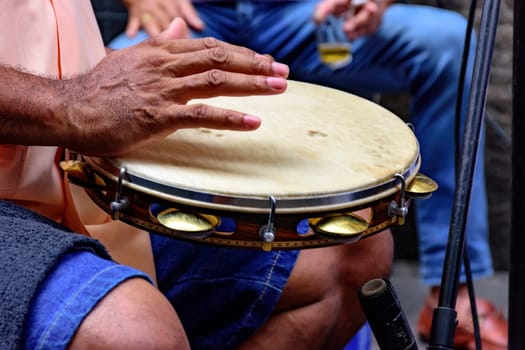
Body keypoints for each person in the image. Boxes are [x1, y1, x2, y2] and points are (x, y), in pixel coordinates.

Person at [103, 0, 508, 348]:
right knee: (107, 76)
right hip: (198, 15)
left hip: (308, 14)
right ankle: (115, 284)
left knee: (452, 43)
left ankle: (451, 293)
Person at [0, 2, 394, 349]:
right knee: (131, 333)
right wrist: (71, 102)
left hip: (75, 167)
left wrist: (121, 73)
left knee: (347, 246)